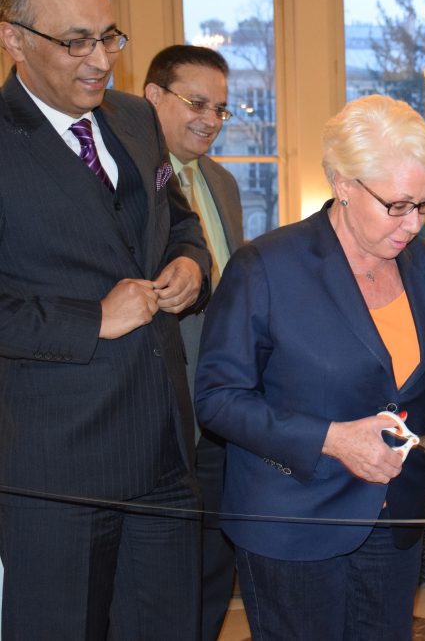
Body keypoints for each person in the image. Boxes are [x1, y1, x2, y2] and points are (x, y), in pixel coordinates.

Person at [194, 94, 425, 639]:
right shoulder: (266, 268)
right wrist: (332, 439)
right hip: (293, 523)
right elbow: (218, 399)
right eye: (397, 205)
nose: (413, 224)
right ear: (343, 183)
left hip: (395, 520)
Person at [0, 0, 210, 638]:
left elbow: (180, 220)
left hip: (165, 453)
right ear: (13, 38)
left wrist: (190, 262)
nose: (100, 61)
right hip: (55, 472)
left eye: (109, 37)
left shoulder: (136, 119)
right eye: (75, 42)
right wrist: (93, 319)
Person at [144, 44, 244, 641]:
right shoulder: (124, 179)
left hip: (221, 411)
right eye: (197, 103)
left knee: (214, 564)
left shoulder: (222, 183)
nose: (210, 119)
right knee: (159, 577)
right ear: (153, 96)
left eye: (220, 109)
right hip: (155, 414)